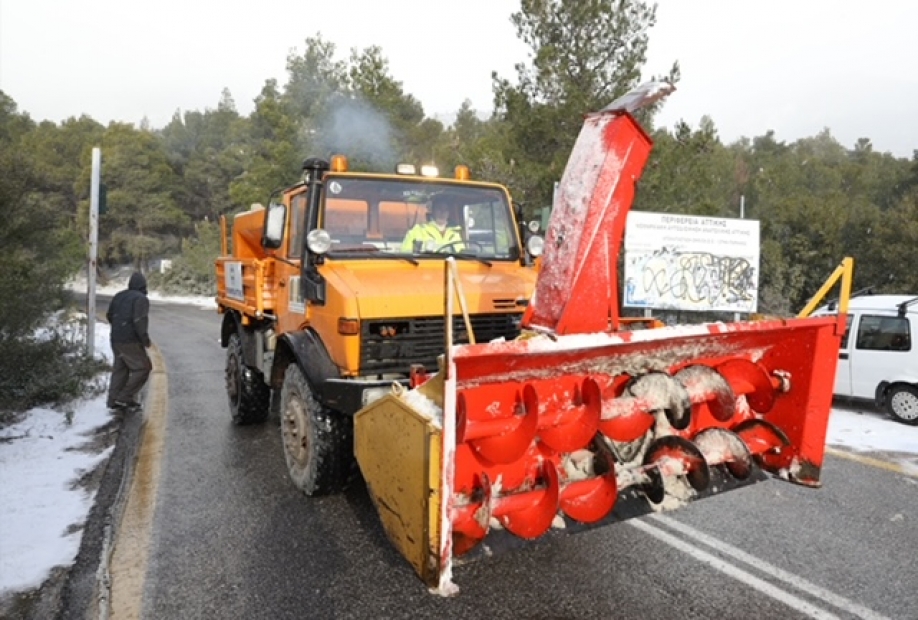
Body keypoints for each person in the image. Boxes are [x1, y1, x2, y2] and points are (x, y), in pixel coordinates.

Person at [106, 272, 153, 412]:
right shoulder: (141, 299)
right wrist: (144, 339)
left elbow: (109, 315)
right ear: (143, 285)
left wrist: (118, 328)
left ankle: (113, 400)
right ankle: (125, 397)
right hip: (130, 340)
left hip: (115, 338)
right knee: (143, 368)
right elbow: (139, 320)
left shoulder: (119, 295)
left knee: (120, 369)